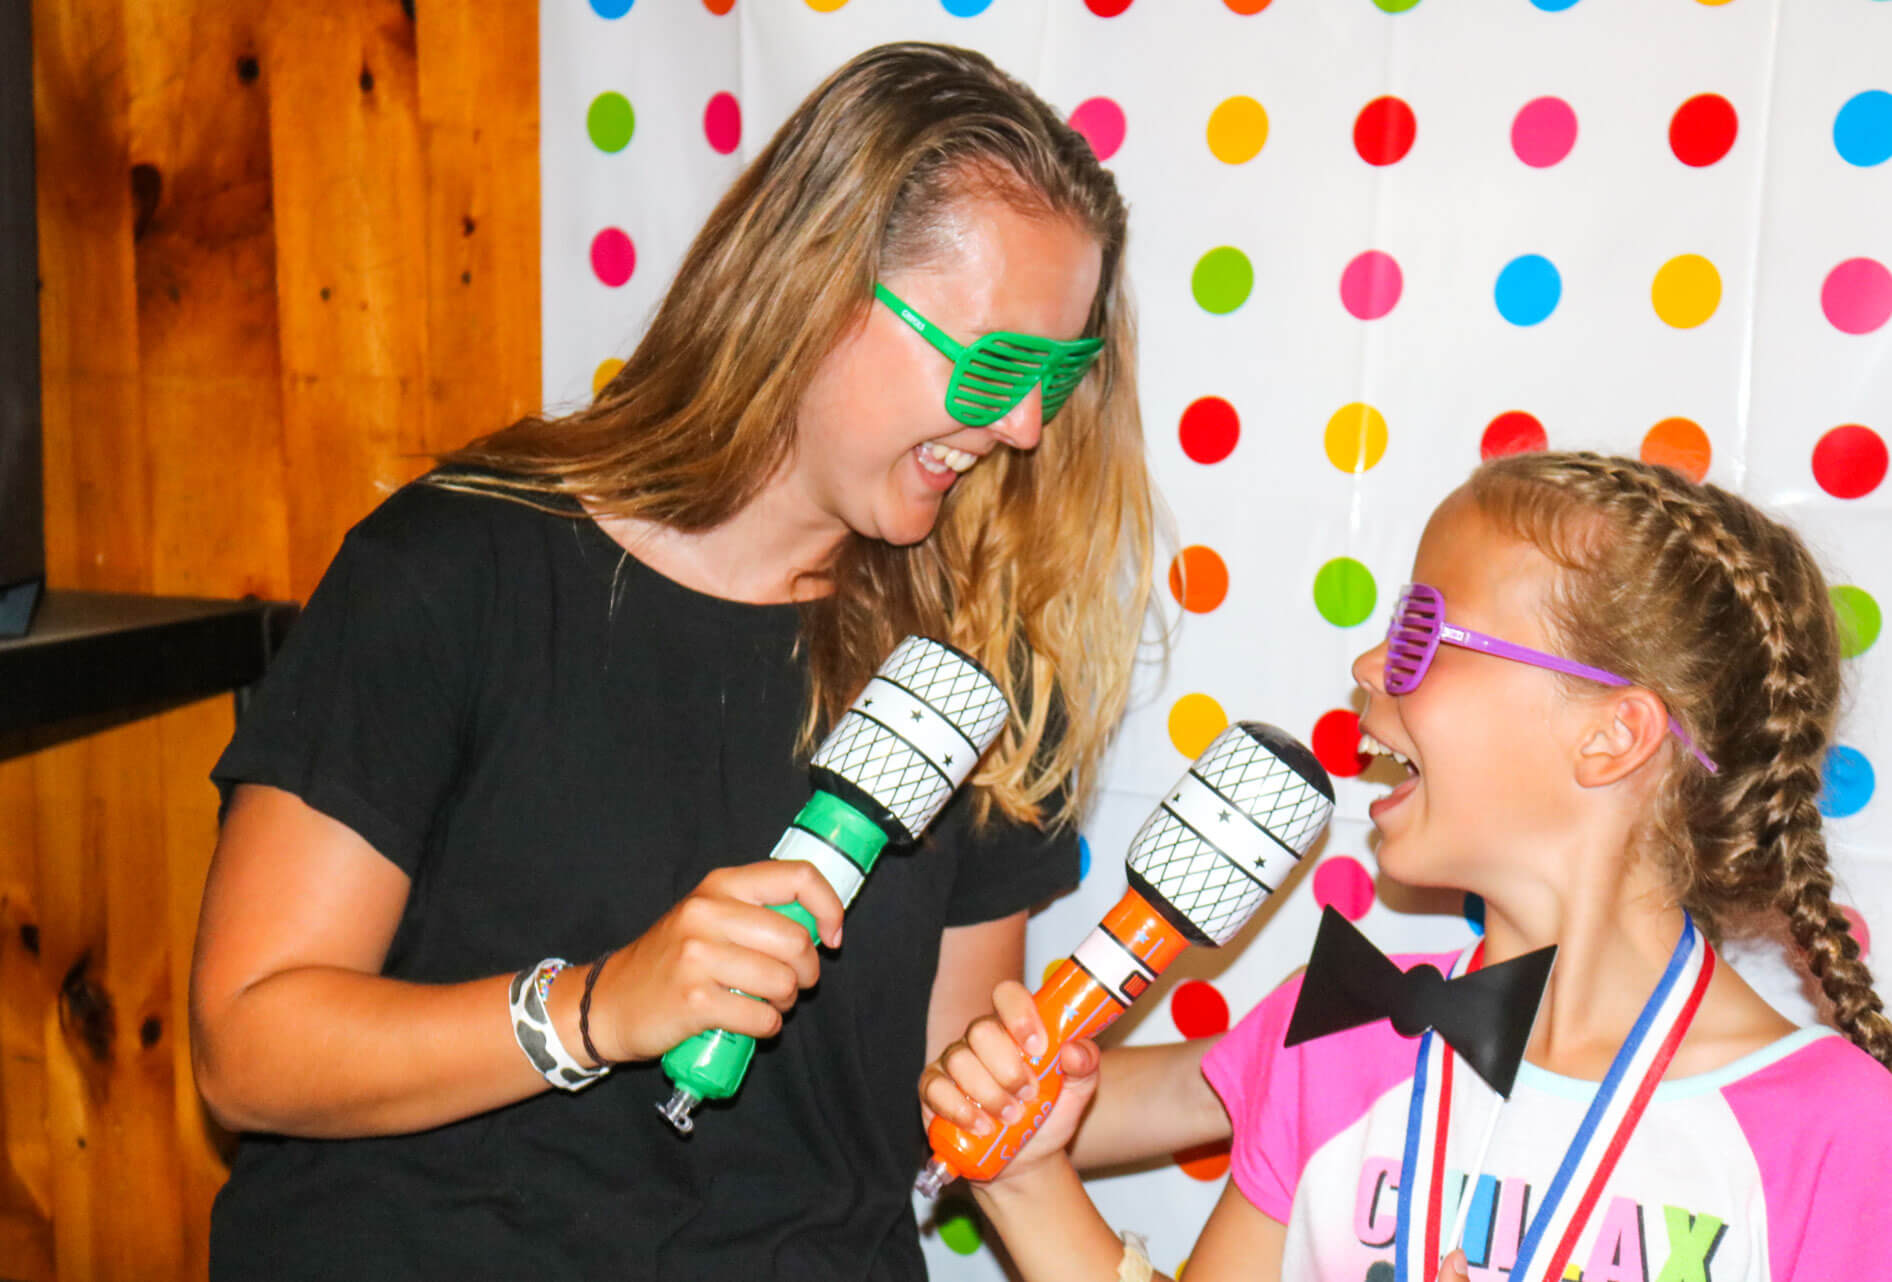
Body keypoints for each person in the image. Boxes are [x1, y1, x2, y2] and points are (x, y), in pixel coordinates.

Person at [187, 41, 1155, 1280]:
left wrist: (1244, 1084)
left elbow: (940, 1088)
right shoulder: (457, 569)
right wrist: (597, 1009)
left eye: (1055, 378)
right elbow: (248, 1047)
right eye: (995, 366)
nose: (1022, 427)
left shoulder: (982, 655)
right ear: (818, 283)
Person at [922, 451, 1892, 1282]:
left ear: (1611, 734)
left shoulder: (1836, 1135)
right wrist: (1019, 1175)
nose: (1367, 663)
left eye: (1423, 630)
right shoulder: (1349, 1036)